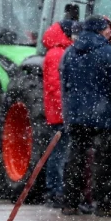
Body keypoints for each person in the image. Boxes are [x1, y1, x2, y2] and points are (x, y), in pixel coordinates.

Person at [59, 15, 111, 217]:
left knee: (76, 157)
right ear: (101, 31)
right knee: (107, 159)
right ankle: (105, 204)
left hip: (76, 115)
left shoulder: (70, 52)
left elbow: (64, 83)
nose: (110, 32)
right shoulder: (109, 53)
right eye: (107, 28)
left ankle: (70, 202)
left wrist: (70, 110)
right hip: (104, 114)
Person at [41, 18, 76, 207]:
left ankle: (56, 189)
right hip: (60, 113)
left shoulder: (59, 51)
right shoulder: (57, 54)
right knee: (59, 152)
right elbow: (56, 87)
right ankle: (55, 191)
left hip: (59, 111)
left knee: (60, 151)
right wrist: (66, 110)